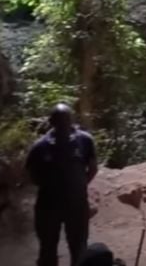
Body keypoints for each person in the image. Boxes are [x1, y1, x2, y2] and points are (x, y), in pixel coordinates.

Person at [25, 103, 98, 266]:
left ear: (71, 121)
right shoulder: (40, 146)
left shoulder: (84, 141)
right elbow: (31, 174)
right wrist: (50, 187)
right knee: (47, 249)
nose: (64, 124)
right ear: (52, 122)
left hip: (77, 205)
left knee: (79, 248)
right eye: (59, 121)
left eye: (66, 120)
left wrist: (80, 186)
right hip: (48, 206)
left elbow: (92, 167)